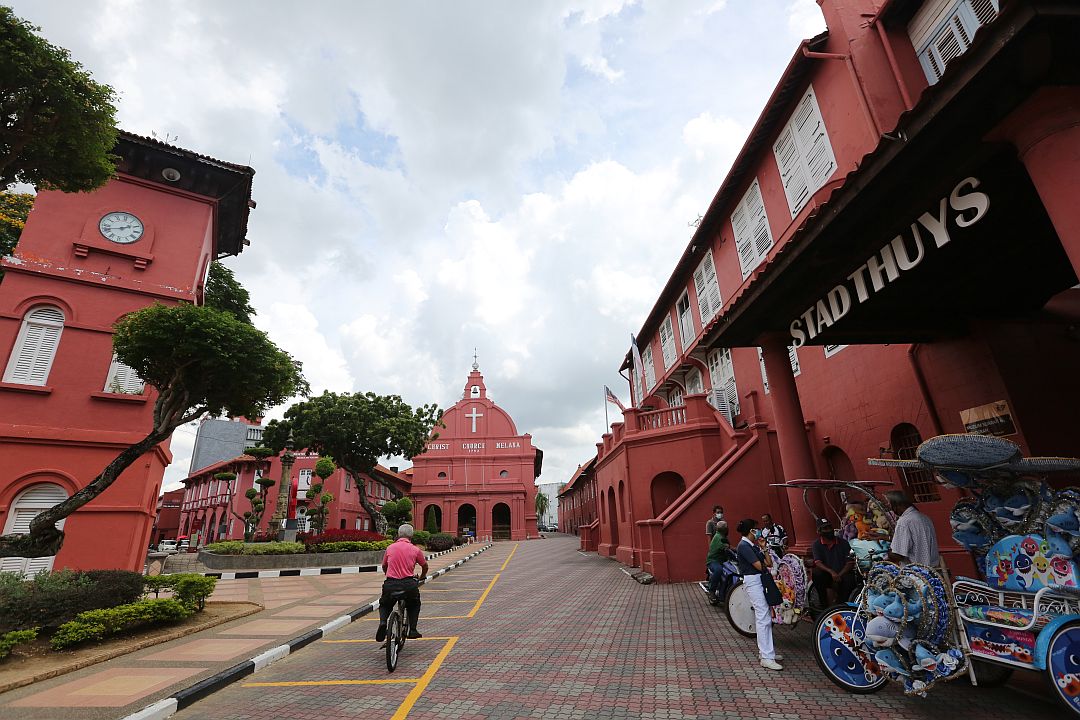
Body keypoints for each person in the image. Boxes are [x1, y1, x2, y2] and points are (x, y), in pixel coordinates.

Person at [735, 518, 782, 671]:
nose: (758, 531)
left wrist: (764, 548)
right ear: (751, 531)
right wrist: (763, 560)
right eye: (756, 529)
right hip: (753, 581)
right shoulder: (744, 546)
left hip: (759, 579)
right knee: (763, 617)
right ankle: (766, 656)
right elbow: (758, 565)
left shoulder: (752, 546)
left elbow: (768, 563)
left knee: (765, 615)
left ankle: (768, 652)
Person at [376, 524, 429, 642]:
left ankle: (383, 622)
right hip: (408, 584)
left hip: (391, 583)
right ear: (411, 536)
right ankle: (413, 630)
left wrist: (388, 575)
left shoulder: (390, 548)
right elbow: (424, 565)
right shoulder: (415, 549)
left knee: (385, 604)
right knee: (414, 603)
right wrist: (422, 576)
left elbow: (384, 565)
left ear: (398, 535)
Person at [885, 490, 941, 567]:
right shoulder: (924, 517)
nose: (888, 506)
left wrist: (887, 554)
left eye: (889, 503)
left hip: (916, 572)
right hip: (933, 569)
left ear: (897, 504)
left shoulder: (904, 521)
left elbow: (898, 554)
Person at [810, 518, 857, 605]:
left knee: (849, 580)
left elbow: (850, 563)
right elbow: (818, 562)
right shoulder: (816, 545)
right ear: (819, 531)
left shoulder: (843, 543)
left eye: (829, 527)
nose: (828, 530)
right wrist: (831, 572)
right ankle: (824, 605)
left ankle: (841, 605)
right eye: (825, 528)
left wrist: (839, 575)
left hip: (842, 573)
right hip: (828, 574)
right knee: (817, 574)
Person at [706, 520, 733, 605]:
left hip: (723, 560)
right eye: (726, 528)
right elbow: (727, 548)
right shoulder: (718, 537)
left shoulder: (722, 536)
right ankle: (712, 591)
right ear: (724, 529)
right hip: (713, 561)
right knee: (718, 570)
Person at [704, 505, 725, 580]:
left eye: (721, 512)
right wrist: (712, 550)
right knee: (718, 570)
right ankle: (712, 588)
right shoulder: (710, 523)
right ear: (714, 513)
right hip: (715, 551)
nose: (720, 514)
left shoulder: (723, 523)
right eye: (718, 512)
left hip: (723, 550)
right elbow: (709, 539)